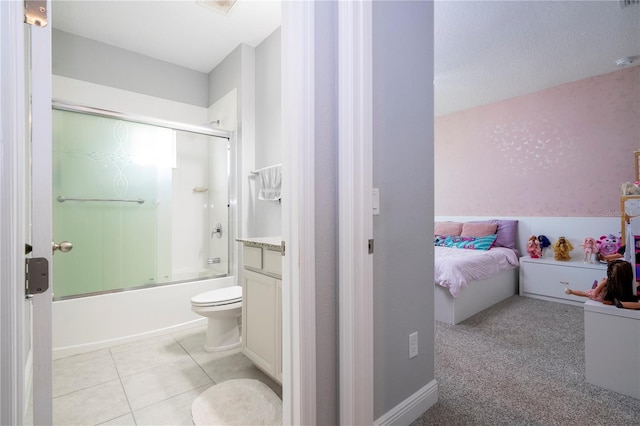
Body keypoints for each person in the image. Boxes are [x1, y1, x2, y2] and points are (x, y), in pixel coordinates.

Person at [564, 260, 636, 306]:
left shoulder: (609, 283)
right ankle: (571, 291)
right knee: (585, 293)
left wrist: (596, 291)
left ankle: (571, 291)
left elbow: (595, 294)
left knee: (585, 293)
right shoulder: (625, 283)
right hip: (601, 293)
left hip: (600, 294)